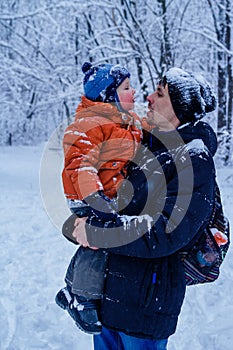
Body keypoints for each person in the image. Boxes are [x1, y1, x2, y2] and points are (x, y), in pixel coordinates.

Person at [71, 67, 218, 349]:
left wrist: (96, 232)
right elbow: (109, 203)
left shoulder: (194, 160)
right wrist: (79, 223)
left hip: (145, 307)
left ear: (179, 108)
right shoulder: (142, 146)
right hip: (109, 297)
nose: (148, 97)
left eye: (160, 93)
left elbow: (163, 233)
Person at [55, 61, 143, 334]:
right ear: (108, 95)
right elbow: (80, 165)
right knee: (99, 241)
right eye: (127, 88)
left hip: (110, 197)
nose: (134, 92)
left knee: (105, 240)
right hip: (87, 196)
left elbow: (142, 140)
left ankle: (70, 289)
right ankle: (82, 298)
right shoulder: (89, 124)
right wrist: (96, 199)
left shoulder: (128, 123)